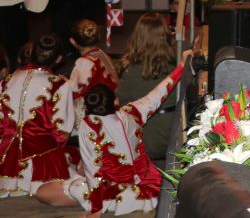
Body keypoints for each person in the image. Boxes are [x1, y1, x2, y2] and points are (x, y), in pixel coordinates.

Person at [60, 50, 191, 215]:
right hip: (151, 187)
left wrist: (96, 209)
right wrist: (181, 66)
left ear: (86, 108)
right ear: (115, 100)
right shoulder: (134, 112)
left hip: (118, 193)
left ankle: (105, 204)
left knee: (66, 187)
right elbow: (160, 92)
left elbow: (92, 170)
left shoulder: (90, 126)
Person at [0, 34, 75, 199]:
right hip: (41, 161)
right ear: (59, 59)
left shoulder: (6, 81)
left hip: (5, 159)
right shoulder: (59, 85)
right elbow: (62, 132)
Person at [116, 13, 178, 163]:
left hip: (143, 139)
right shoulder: (176, 67)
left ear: (138, 36)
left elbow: (121, 105)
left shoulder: (131, 70)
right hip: (172, 135)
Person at [67, 18, 120, 125]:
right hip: (113, 105)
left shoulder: (84, 62)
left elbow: (74, 91)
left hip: (101, 111)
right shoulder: (102, 54)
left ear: (72, 41)